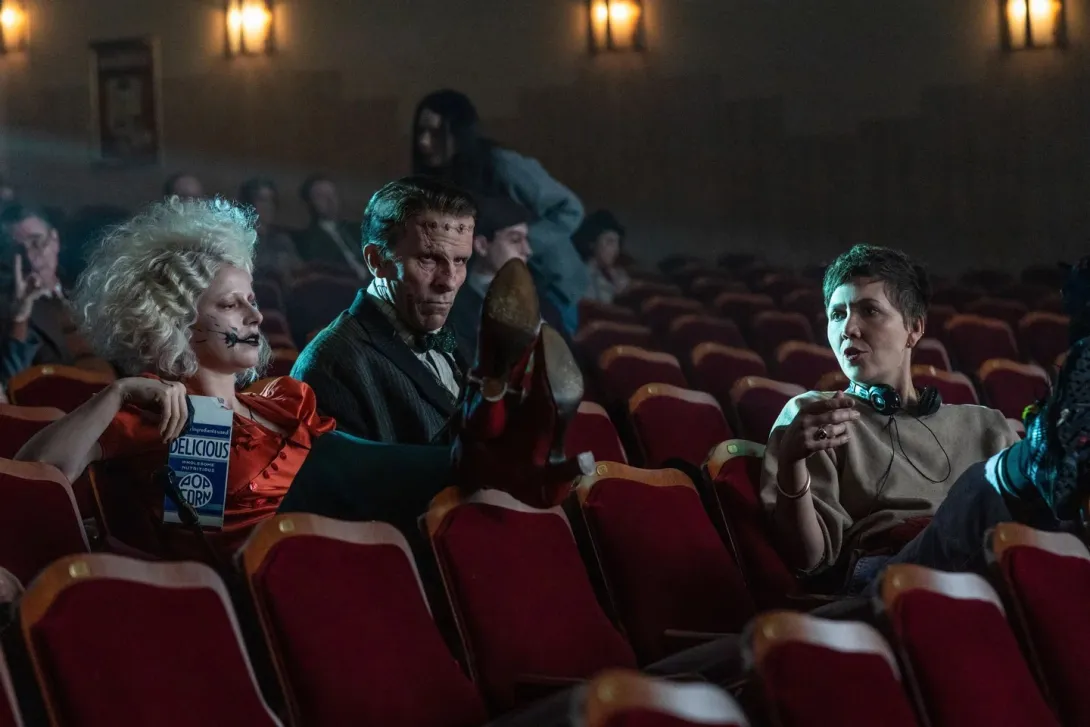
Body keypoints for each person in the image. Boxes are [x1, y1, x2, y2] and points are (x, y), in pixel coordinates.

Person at [13, 196, 589, 563]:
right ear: (176, 322)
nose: (255, 316)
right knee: (325, 458)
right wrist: (116, 392)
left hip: (334, 548)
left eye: (252, 300)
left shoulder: (281, 399)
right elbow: (36, 474)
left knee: (365, 463)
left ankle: (492, 428)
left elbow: (374, 476)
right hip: (249, 562)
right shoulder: (154, 413)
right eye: (232, 305)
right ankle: (495, 422)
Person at [761, 244, 1021, 591]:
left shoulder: (986, 426)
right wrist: (792, 463)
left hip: (985, 565)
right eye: (837, 314)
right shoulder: (817, 418)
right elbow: (808, 560)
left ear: (914, 328)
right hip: (887, 575)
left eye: (869, 311)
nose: (849, 328)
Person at [292, 176, 475, 444]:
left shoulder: (461, 342)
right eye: (428, 258)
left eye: (460, 260)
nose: (449, 281)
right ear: (376, 260)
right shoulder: (331, 362)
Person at [412, 89, 587, 335]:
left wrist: (516, 243)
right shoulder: (435, 181)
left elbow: (570, 209)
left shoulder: (502, 165)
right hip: (489, 291)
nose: (424, 142)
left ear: (460, 133)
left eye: (436, 133)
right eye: (421, 131)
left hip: (551, 287)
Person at [448, 195, 569, 363]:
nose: (527, 250)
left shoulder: (543, 304)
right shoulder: (451, 306)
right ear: (482, 245)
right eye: (515, 240)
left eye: (526, 240)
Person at [0, 203, 92, 384]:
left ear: (55, 239)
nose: (29, 256)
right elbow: (12, 382)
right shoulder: (8, 308)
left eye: (37, 242)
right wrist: (19, 318)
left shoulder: (85, 286)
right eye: (18, 249)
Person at [293, 173, 370, 280]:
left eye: (332, 194)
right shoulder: (306, 240)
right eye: (321, 196)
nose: (330, 200)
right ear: (310, 203)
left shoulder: (356, 229)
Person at [237, 177, 303, 283]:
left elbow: (299, 272)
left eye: (272, 201)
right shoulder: (238, 240)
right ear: (249, 204)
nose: (268, 206)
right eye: (262, 200)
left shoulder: (282, 240)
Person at [573, 209, 631, 304]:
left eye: (618, 244)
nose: (616, 249)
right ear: (592, 243)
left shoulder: (616, 273)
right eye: (610, 242)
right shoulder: (581, 274)